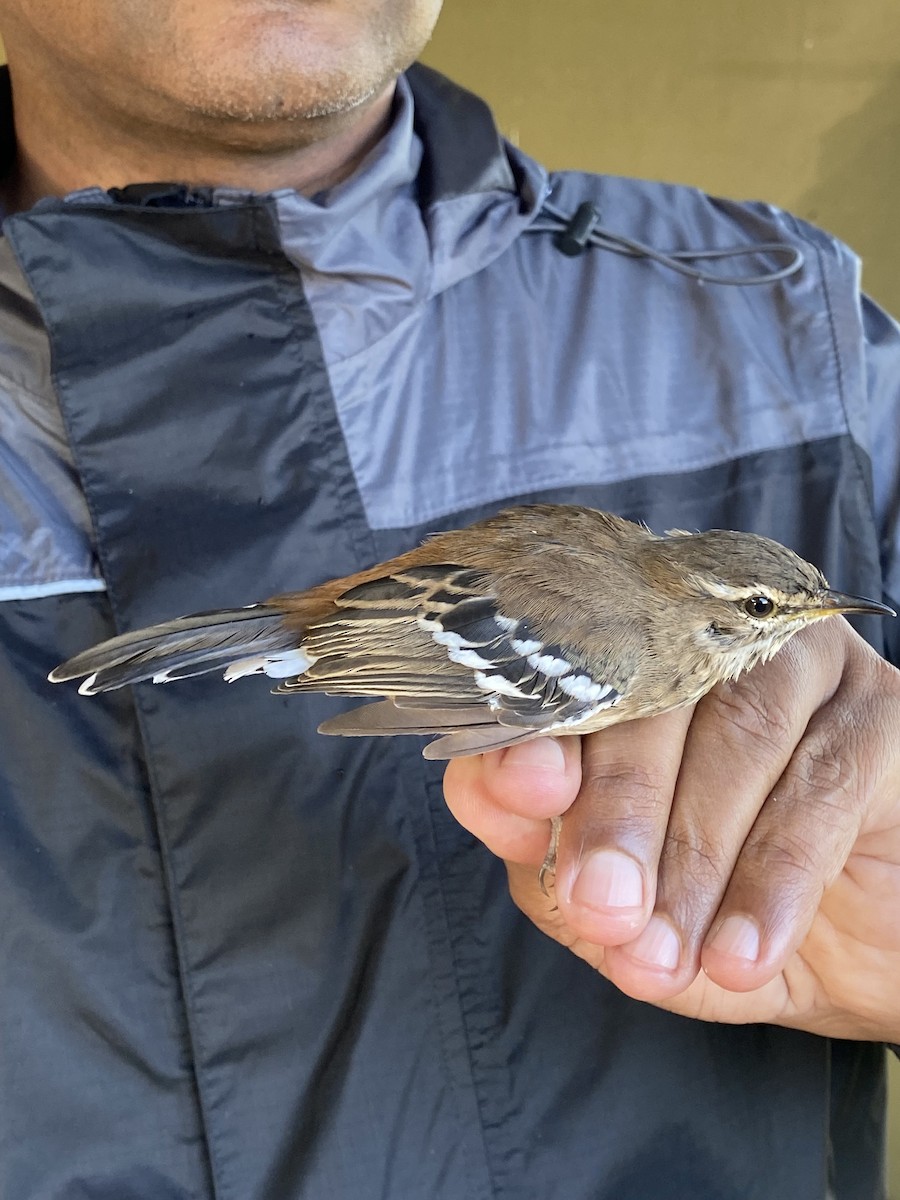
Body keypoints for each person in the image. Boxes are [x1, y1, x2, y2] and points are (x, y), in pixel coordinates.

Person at [0, 2, 898, 1197]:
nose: (786, 632)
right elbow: (450, 647)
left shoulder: (802, 324)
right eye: (761, 614)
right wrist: (332, 658)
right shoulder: (626, 644)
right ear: (698, 600)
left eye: (784, 618)